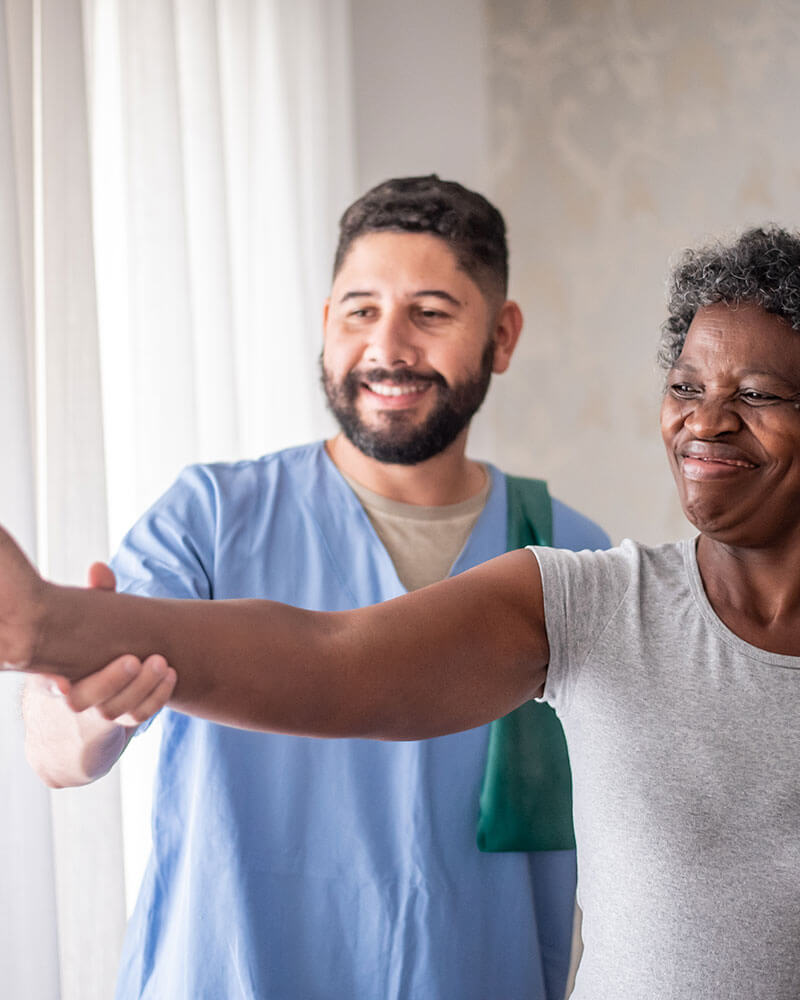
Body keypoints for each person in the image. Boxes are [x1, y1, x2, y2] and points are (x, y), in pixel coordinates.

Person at [21, 176, 608, 1000]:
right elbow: (54, 748)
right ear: (326, 323)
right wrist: (85, 707)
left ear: (501, 337)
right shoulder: (211, 517)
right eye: (359, 310)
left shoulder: (573, 557)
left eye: (431, 312)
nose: (388, 346)